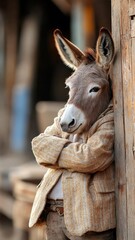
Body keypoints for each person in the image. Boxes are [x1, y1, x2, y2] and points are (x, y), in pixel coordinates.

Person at [29, 28, 116, 240]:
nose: (68, 116)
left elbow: (92, 157)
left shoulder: (110, 119)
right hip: (53, 216)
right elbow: (39, 146)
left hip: (87, 221)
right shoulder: (64, 116)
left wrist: (56, 152)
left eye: (92, 90)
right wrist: (71, 153)